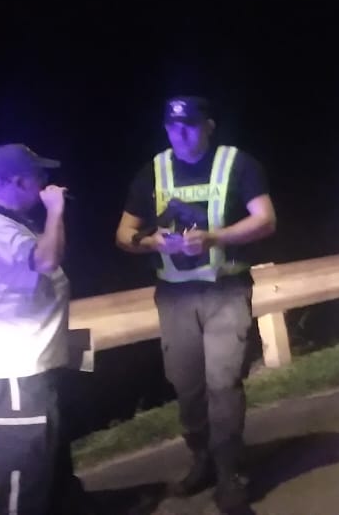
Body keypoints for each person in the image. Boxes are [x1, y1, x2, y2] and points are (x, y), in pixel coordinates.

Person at [114, 96, 275, 511]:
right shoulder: (153, 170)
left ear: (209, 126)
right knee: (187, 386)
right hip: (174, 296)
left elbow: (265, 219)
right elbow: (124, 233)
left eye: (188, 125)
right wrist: (151, 241)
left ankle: (229, 473)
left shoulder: (237, 163)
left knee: (223, 382)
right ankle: (201, 457)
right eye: (172, 126)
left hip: (226, 290)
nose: (179, 133)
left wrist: (214, 238)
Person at [0, 144, 86, 515]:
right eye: (39, 176)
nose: (46, 183)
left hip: (36, 359)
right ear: (15, 181)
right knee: (24, 461)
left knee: (50, 455)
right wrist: (56, 211)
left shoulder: (13, 222)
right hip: (15, 365)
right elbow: (47, 259)